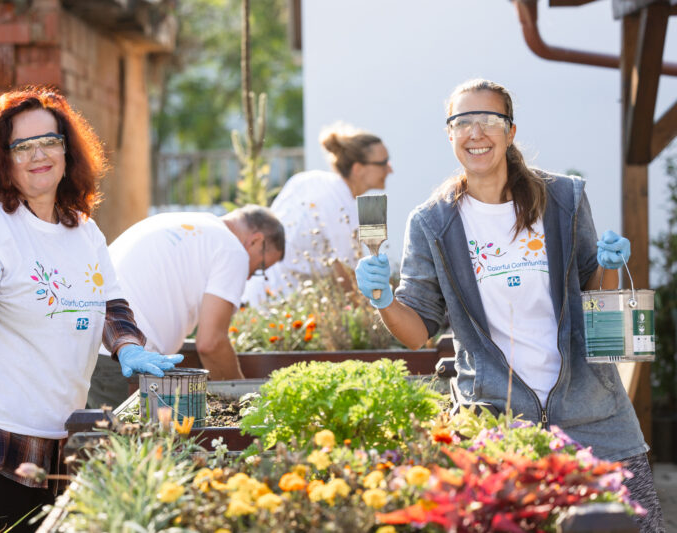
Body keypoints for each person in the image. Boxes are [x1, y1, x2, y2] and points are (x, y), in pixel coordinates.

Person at [355, 79, 664, 532]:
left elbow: (593, 292)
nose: (475, 132)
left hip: (594, 415)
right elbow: (418, 327)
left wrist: (608, 264)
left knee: (637, 528)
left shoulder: (564, 199)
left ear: (510, 132)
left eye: (489, 120)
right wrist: (383, 299)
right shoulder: (432, 221)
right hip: (499, 426)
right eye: (462, 121)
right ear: (449, 134)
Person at [0, 87, 182, 532]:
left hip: (53, 434)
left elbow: (111, 304)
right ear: (2, 157)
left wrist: (128, 347)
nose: (40, 155)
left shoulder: (84, 229)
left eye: (50, 141)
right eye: (23, 146)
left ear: (67, 149)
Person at [87, 206, 285, 408]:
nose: (250, 277)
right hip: (122, 359)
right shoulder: (232, 249)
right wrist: (246, 402)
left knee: (84, 435)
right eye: (261, 268)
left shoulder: (188, 223)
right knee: (116, 438)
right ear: (256, 240)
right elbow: (211, 344)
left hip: (88, 349)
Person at [242, 122, 392, 306]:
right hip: (283, 308)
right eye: (383, 163)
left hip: (253, 296)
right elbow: (350, 278)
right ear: (358, 169)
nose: (390, 169)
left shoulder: (308, 180)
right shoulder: (340, 205)